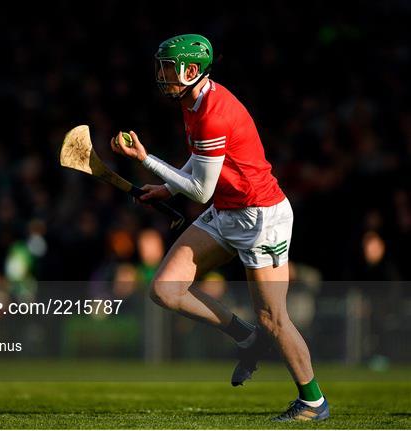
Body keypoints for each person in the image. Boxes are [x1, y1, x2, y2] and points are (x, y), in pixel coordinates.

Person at [110, 34, 329, 421]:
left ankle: (312, 400)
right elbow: (201, 165)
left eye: (167, 67)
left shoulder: (213, 110)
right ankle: (247, 338)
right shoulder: (192, 100)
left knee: (274, 319)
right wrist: (164, 188)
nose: (161, 74)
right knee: (165, 289)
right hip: (227, 210)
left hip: (260, 217)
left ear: (191, 71)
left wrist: (147, 160)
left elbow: (200, 189)